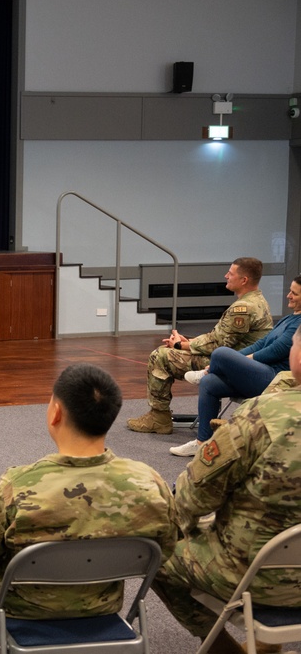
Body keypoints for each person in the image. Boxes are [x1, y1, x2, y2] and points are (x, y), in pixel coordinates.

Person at [0, 363, 178, 654]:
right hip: (101, 604)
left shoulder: (17, 486)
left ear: (55, 412)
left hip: (22, 607)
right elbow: (165, 549)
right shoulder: (150, 482)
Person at [152, 325, 301, 654]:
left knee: (155, 550)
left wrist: (172, 526)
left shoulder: (260, 416)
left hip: (253, 575)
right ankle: (264, 647)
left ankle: (225, 650)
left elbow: (194, 497)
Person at [127, 258, 273, 435]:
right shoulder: (257, 301)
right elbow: (220, 337)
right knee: (168, 351)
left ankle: (158, 418)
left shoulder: (244, 307)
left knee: (160, 356)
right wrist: (187, 343)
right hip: (240, 362)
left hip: (230, 365)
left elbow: (219, 344)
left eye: (231, 273)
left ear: (244, 280)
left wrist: (181, 344)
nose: (226, 276)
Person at [170, 274, 301, 456]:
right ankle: (203, 443)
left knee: (220, 353)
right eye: (290, 291)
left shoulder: (299, 323)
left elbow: (275, 351)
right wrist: (233, 360)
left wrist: (238, 361)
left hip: (274, 380)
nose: (288, 295)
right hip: (260, 374)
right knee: (211, 383)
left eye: (294, 293)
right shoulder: (289, 319)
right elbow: (261, 344)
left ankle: (205, 372)